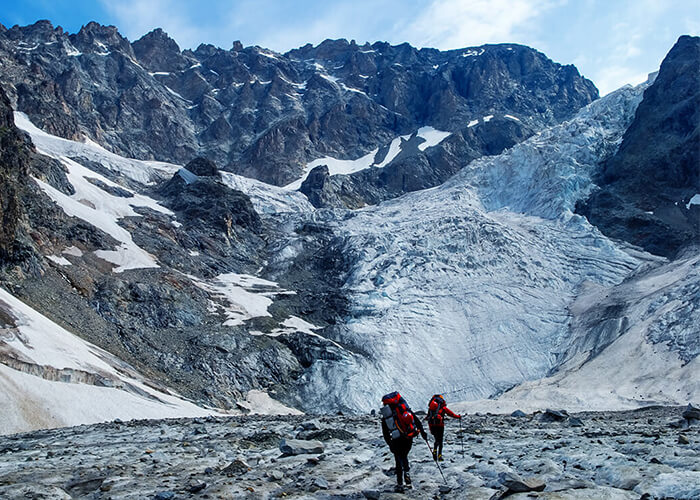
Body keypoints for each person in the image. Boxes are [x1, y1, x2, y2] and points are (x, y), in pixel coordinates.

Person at [380, 392, 427, 492]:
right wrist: (423, 433)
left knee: (398, 460)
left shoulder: (387, 416)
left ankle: (400, 484)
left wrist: (390, 444)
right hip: (407, 437)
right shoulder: (404, 409)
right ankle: (407, 475)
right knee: (404, 456)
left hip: (396, 440)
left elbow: (385, 432)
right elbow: (417, 421)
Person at [426, 394, 461, 461]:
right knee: (440, 440)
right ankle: (440, 455)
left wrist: (430, 428)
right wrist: (458, 417)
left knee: (436, 439)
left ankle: (435, 451)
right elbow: (451, 414)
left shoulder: (431, 409)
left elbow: (428, 418)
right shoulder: (442, 408)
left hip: (432, 426)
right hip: (440, 426)